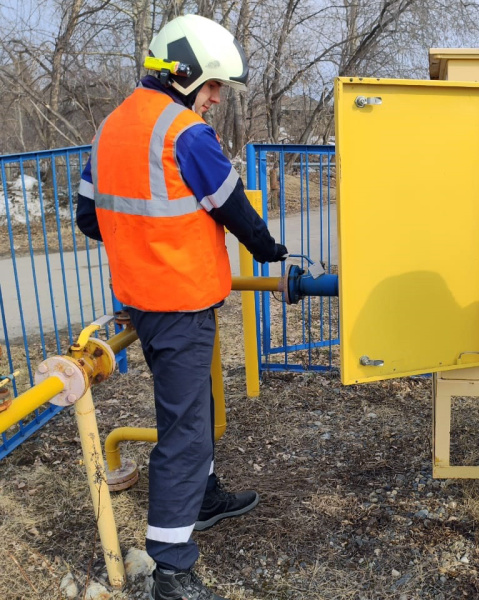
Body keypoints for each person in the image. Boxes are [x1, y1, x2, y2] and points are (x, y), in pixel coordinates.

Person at [76, 14, 287, 600]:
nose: (216, 97)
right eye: (214, 84)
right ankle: (171, 568)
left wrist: (141, 243)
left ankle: (204, 496)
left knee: (195, 405)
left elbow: (88, 218)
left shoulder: (111, 127)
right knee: (186, 430)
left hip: (144, 300)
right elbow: (234, 209)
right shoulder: (184, 132)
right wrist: (272, 250)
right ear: (185, 74)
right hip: (179, 303)